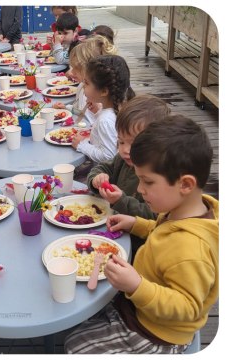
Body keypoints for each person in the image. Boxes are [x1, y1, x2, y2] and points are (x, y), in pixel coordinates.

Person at [66, 116, 218, 354]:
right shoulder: (181, 211)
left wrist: (137, 287)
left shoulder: (192, 249)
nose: (138, 189)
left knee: (76, 345)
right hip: (142, 304)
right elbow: (162, 232)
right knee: (79, 319)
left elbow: (188, 307)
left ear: (186, 184)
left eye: (147, 182)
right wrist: (137, 223)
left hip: (158, 333)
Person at [88, 95, 169, 224]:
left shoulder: (157, 175)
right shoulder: (122, 159)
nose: (125, 150)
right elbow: (104, 167)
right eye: (121, 142)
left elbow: (155, 216)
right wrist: (97, 178)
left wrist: (121, 201)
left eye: (133, 144)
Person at [73, 55, 134, 164]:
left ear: (104, 92)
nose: (83, 87)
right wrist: (97, 112)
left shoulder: (105, 120)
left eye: (86, 83)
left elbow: (108, 156)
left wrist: (82, 145)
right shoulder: (115, 109)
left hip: (103, 175)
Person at [66, 35, 117, 119]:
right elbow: (80, 110)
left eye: (76, 68)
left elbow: (102, 125)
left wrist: (97, 111)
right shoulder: (82, 86)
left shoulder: (98, 96)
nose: (72, 72)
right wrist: (68, 109)